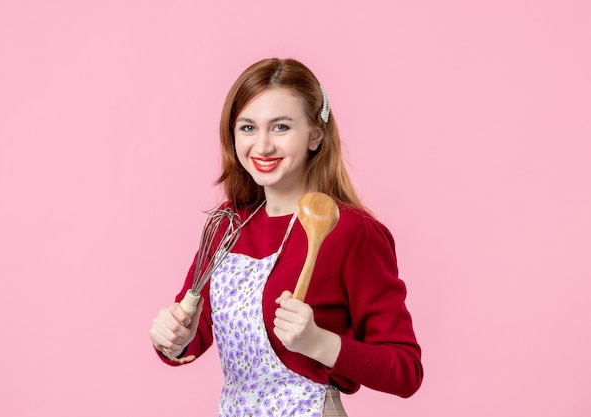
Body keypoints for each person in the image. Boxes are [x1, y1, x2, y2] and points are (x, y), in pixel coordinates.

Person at [149, 58, 423, 416]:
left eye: (280, 127)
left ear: (315, 134)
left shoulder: (349, 232)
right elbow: (194, 331)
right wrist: (172, 338)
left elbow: (406, 370)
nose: (262, 147)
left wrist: (318, 342)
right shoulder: (228, 225)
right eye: (247, 127)